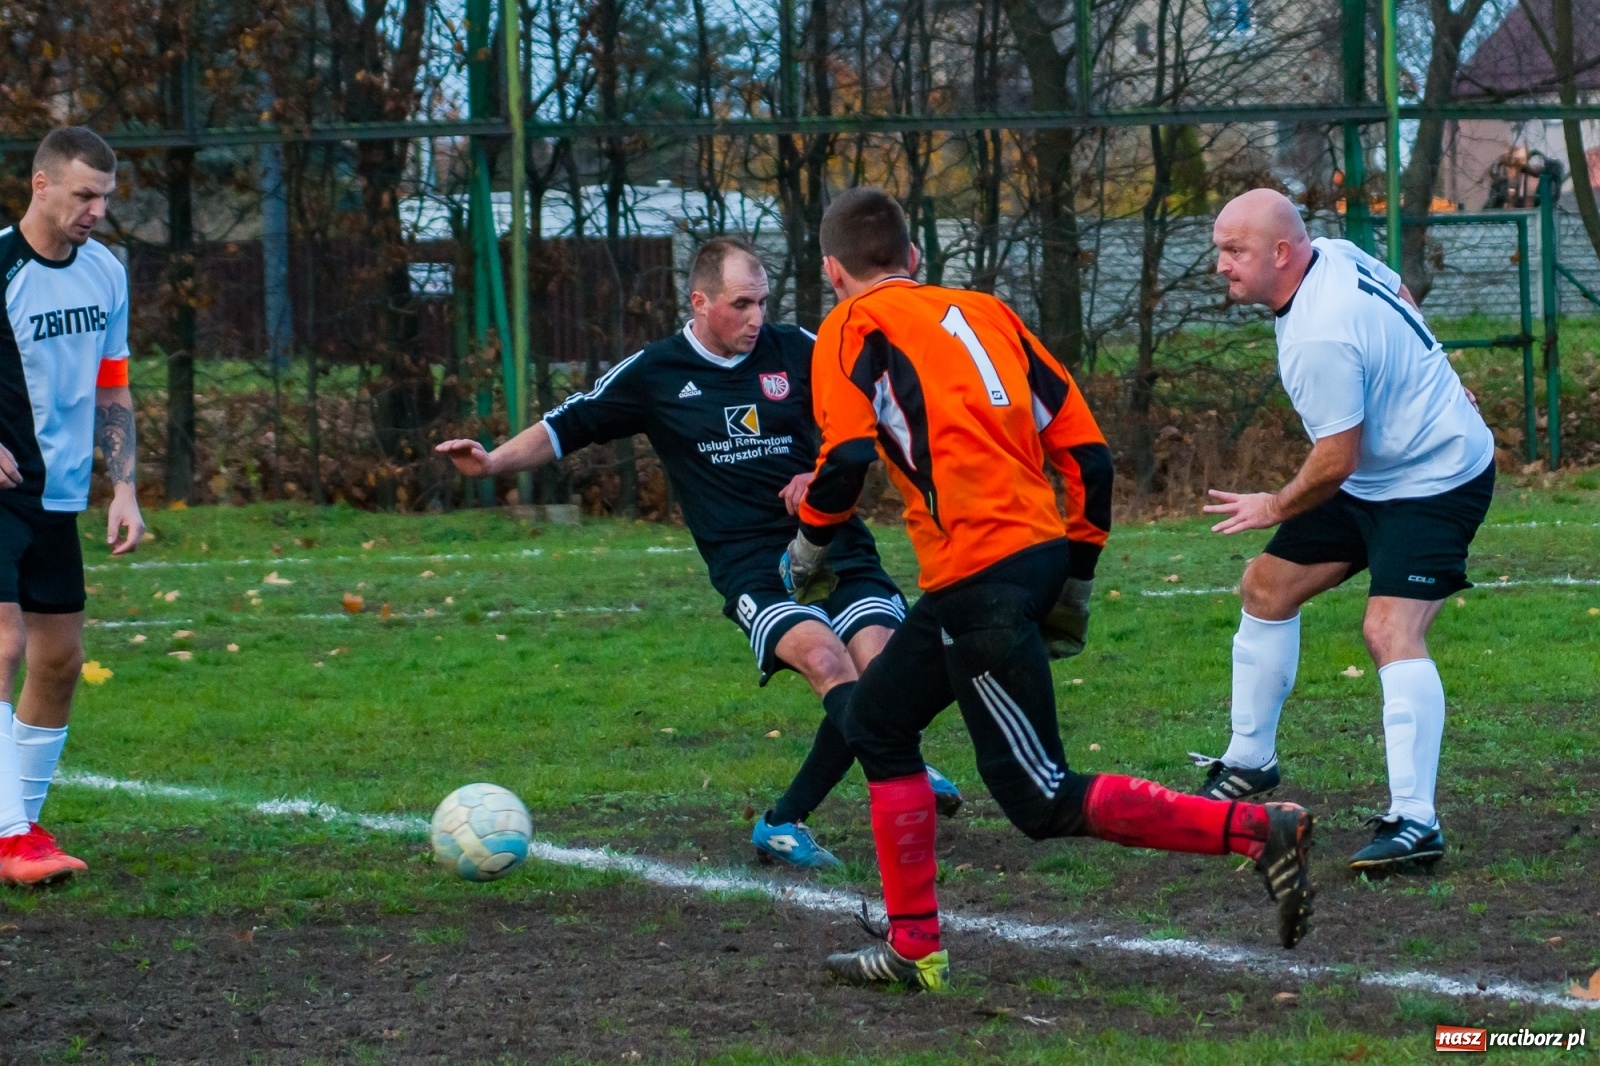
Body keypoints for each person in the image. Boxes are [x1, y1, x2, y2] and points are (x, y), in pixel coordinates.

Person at [783, 187, 1315, 991]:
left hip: (978, 576)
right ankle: (913, 946)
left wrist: (808, 545)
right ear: (916, 258)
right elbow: (1091, 459)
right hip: (1026, 557)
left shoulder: (849, 328)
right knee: (876, 723)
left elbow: (848, 460)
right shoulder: (985, 312)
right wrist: (1077, 576)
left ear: (832, 270)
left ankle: (1256, 828)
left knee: (1041, 800)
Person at [437, 237, 961, 869]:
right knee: (828, 661)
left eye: (762, 303)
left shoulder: (800, 350)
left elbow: (873, 418)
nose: (755, 318)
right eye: (741, 304)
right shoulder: (656, 373)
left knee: (882, 673)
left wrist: (820, 477)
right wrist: (492, 462)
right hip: (751, 565)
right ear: (701, 301)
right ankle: (889, 767)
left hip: (836, 543)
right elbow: (564, 426)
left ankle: (789, 816)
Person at [1192, 188, 1495, 872]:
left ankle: (1417, 824)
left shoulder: (1319, 334)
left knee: (1390, 630)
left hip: (1436, 478)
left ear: (1281, 252)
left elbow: (1335, 460)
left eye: (1234, 251)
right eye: (1220, 250)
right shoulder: (1335, 251)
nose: (1221, 266)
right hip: (1373, 478)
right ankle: (1250, 762)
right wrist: (1436, 367)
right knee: (1265, 587)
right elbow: (1401, 291)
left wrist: (1273, 504)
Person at [0, 127, 144, 885]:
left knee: (59, 662)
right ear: (41, 186)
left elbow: (113, 384)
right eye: (85, 194)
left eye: (107, 198)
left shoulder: (106, 274)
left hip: (57, 494)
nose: (97, 211)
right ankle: (11, 836)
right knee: (5, 644)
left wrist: (122, 487)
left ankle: (19, 824)